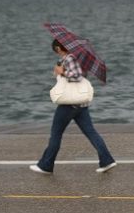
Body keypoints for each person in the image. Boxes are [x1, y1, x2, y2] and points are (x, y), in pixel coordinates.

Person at [30, 40, 117, 175]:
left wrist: (62, 72)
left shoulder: (70, 58)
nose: (56, 53)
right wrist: (59, 70)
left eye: (56, 50)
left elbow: (76, 76)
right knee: (91, 133)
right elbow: (78, 75)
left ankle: (46, 165)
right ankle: (107, 160)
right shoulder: (73, 59)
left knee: (56, 135)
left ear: (58, 48)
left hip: (68, 105)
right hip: (81, 105)